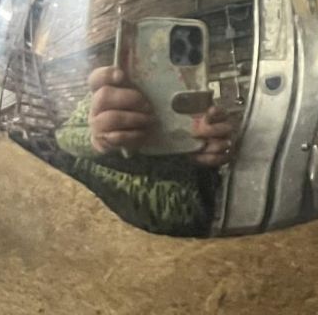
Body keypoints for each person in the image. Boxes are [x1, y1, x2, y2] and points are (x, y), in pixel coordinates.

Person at [51, 64, 234, 237]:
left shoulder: (190, 101)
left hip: (185, 237)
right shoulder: (106, 97)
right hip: (111, 233)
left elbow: (205, 181)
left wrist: (206, 161)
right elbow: (64, 138)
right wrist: (96, 140)